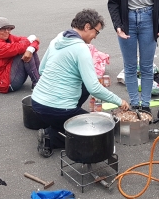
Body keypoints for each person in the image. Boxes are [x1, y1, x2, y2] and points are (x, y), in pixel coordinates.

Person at [31, 9, 129, 157]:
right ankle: (50, 137)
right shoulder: (81, 48)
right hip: (57, 109)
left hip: (36, 103)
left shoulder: (58, 38)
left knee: (83, 84)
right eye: (97, 32)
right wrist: (119, 101)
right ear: (87, 26)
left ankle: (59, 122)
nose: (95, 37)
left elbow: (42, 69)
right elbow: (94, 88)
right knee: (96, 133)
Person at [0, 17, 40, 93]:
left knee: (29, 50)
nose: (7, 32)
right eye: (3, 29)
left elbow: (29, 41)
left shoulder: (5, 36)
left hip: (10, 74)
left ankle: (40, 80)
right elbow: (20, 47)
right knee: (24, 51)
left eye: (8, 29)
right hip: (4, 84)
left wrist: (31, 48)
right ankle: (37, 83)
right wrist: (32, 40)